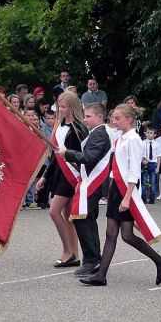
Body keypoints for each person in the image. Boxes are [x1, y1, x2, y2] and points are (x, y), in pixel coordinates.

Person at [79, 104, 161, 287]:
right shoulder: (121, 137)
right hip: (116, 189)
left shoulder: (134, 139)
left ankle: (160, 260)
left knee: (127, 235)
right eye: (113, 118)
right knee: (111, 233)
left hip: (126, 189)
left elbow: (134, 170)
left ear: (129, 120)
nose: (114, 121)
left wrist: (127, 197)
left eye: (118, 118)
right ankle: (100, 276)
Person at [56, 102, 111, 277]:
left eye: (88, 116)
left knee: (84, 220)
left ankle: (91, 259)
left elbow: (89, 157)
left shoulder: (100, 134)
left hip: (93, 183)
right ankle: (92, 258)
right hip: (89, 182)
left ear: (99, 117)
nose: (85, 119)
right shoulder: (95, 133)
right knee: (86, 221)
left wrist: (68, 153)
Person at [36, 92, 87, 270]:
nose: (60, 109)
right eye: (59, 106)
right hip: (59, 173)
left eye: (63, 106)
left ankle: (68, 251)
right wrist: (45, 176)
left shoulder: (80, 128)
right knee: (68, 215)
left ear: (72, 107)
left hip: (72, 174)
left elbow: (83, 155)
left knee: (54, 211)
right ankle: (75, 255)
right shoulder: (59, 126)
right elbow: (54, 156)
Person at [141, 127, 161, 204]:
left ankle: (152, 198)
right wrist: (143, 160)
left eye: (151, 133)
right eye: (148, 133)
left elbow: (159, 157)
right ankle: (143, 198)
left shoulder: (157, 144)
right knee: (144, 182)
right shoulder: (142, 143)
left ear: (155, 135)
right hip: (145, 163)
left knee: (153, 182)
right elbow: (140, 154)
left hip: (153, 164)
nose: (149, 134)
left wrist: (158, 167)